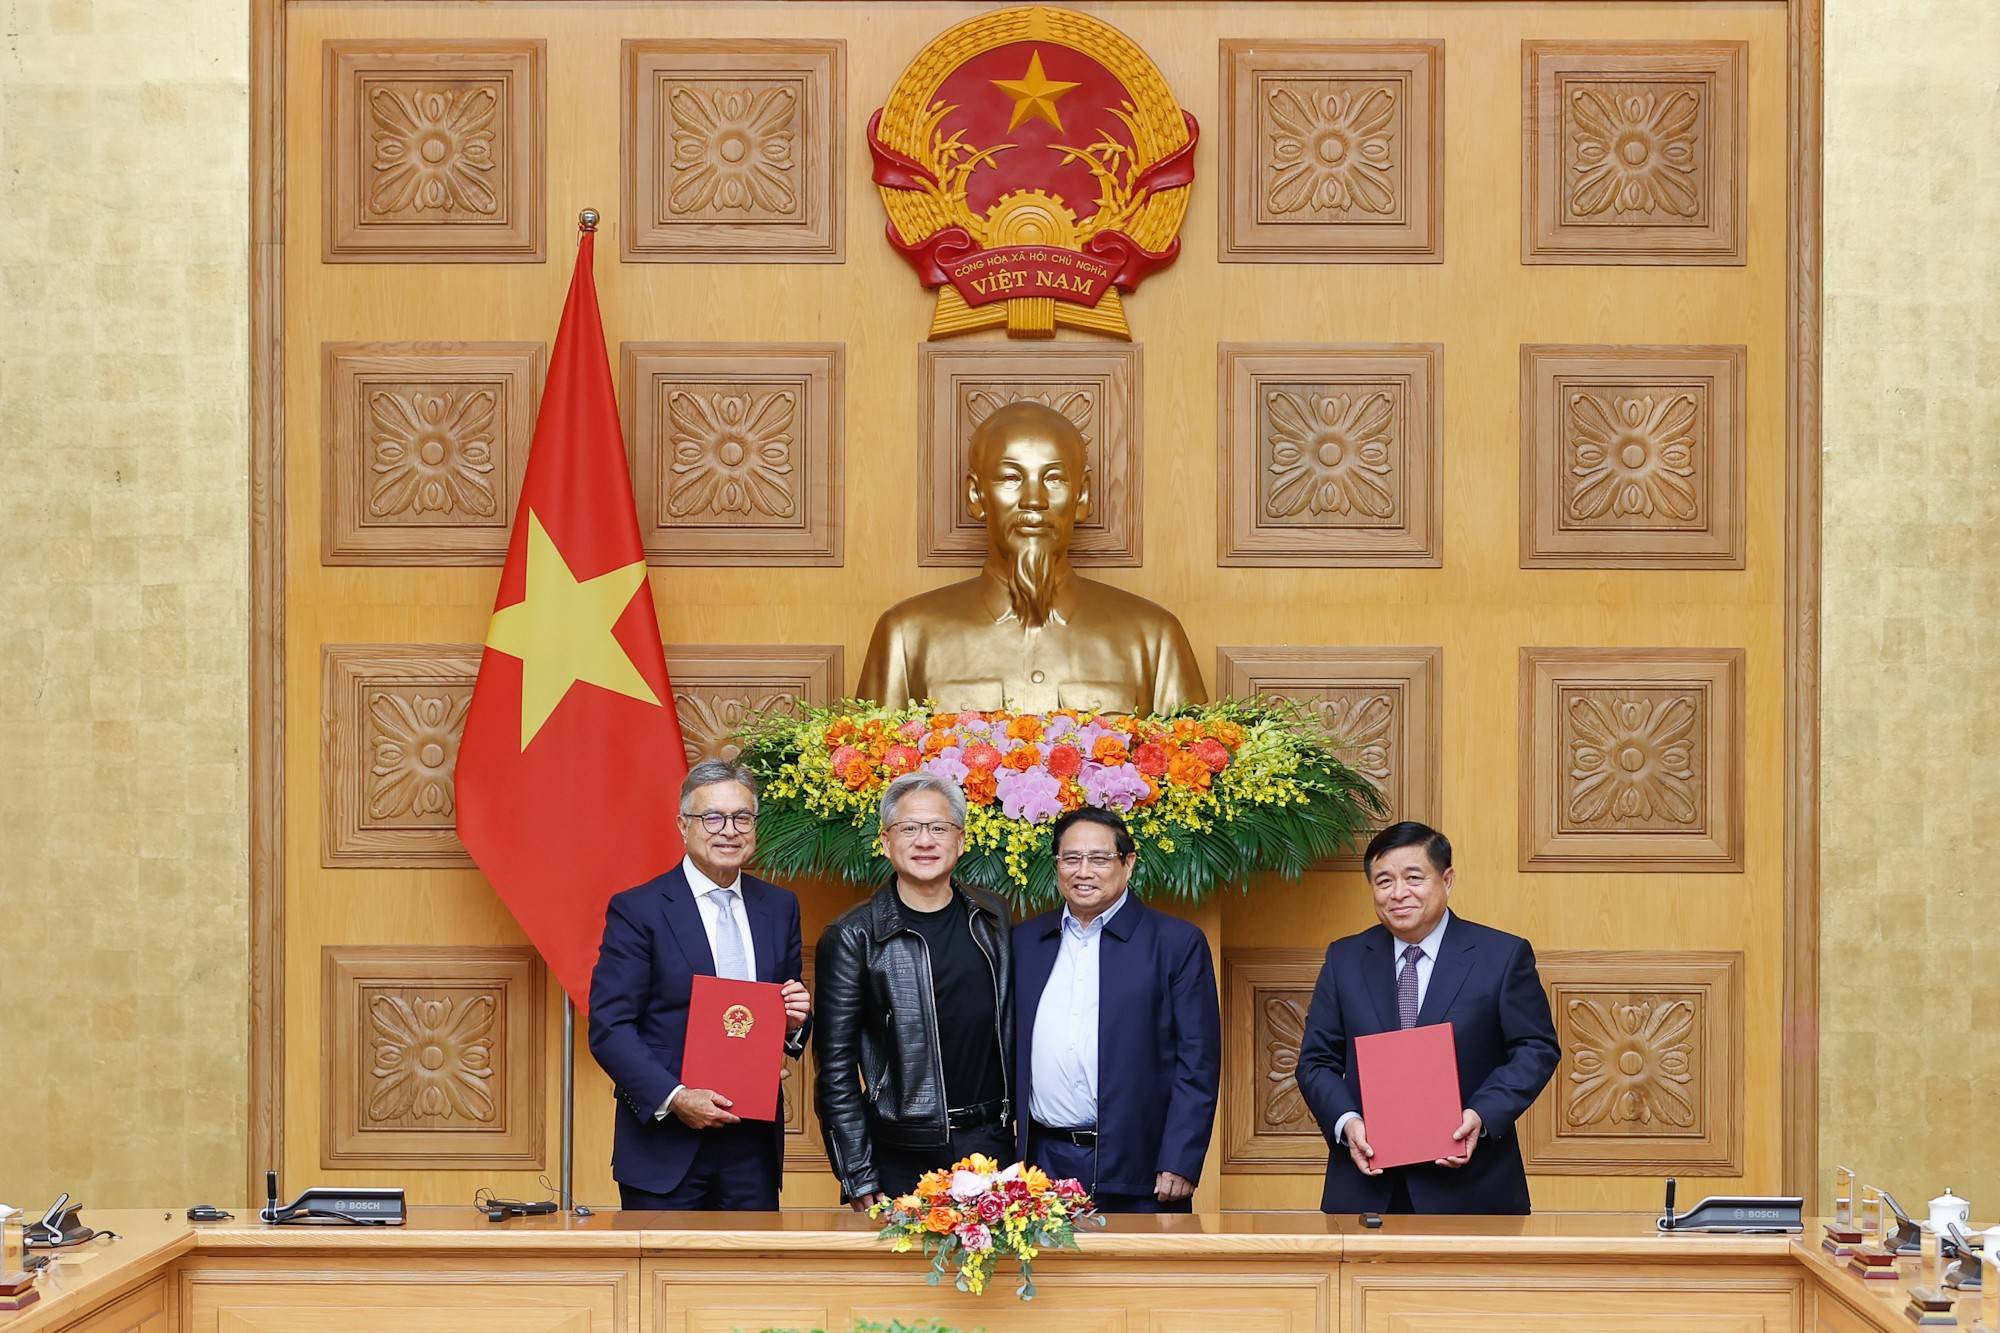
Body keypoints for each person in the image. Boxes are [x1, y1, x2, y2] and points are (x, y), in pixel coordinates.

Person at [856, 400, 1203, 714]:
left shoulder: (1155, 638)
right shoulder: (906, 636)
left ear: (1081, 497)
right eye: (1010, 478)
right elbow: (877, 776)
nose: (1033, 500)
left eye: (1053, 479)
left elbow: (1194, 772)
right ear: (976, 495)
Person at [1295, 821, 1559, 1215]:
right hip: (1367, 1189)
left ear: (1447, 879)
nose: (1398, 893)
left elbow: (1535, 1048)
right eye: (1384, 882)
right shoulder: (1344, 959)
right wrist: (1347, 1122)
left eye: (1413, 878)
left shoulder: (1501, 956)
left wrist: (1481, 1116)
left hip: (1472, 1188)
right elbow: (1316, 1062)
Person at [586, 759, 812, 1211]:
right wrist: (676, 1097)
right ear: (683, 826)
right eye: (713, 817)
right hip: (665, 1145)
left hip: (751, 1147)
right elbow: (610, 1027)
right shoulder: (639, 909)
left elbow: (782, 1020)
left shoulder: (779, 907)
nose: (729, 830)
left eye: (742, 817)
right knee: (662, 1281)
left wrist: (794, 1022)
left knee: (748, 1281)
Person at [815, 772, 1014, 1208]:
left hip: (992, 1145)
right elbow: (835, 1070)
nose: (925, 841)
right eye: (909, 828)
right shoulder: (853, 936)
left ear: (961, 841)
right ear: (886, 842)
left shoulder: (991, 916)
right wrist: (858, 1174)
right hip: (901, 1153)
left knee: (995, 1275)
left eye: (938, 828)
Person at [1012, 807, 1220, 1212]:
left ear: (1128, 863)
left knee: (1135, 1278)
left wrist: (1180, 1158)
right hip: (1041, 1167)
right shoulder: (1026, 941)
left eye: (1099, 858)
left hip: (1142, 1169)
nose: (1083, 871)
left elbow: (1199, 1061)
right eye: (1071, 859)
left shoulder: (1175, 943)